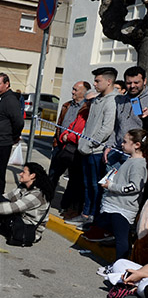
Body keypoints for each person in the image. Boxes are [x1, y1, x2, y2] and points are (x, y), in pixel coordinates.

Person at [88, 129, 147, 261]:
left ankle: (120, 266)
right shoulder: (131, 160)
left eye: (125, 142)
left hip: (123, 208)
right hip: (117, 204)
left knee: (122, 240)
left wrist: (112, 186)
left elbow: (134, 187)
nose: (121, 144)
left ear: (136, 145)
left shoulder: (138, 164)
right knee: (120, 236)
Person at [70, 67, 118, 226]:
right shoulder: (97, 100)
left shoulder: (112, 101)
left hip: (96, 152)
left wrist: (91, 143)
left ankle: (93, 216)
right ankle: (85, 213)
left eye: (98, 81)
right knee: (87, 184)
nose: (95, 84)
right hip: (86, 150)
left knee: (95, 186)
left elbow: (107, 128)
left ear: (109, 81)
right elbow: (89, 125)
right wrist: (83, 141)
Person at [0, 163, 52, 246]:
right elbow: (6, 197)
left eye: (24, 172)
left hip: (27, 230)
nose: (20, 174)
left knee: (0, 205)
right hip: (18, 223)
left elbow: (15, 207)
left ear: (32, 176)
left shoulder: (37, 195)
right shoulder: (24, 188)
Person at [49, 81, 90, 218]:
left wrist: (70, 137)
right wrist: (57, 140)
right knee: (53, 174)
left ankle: (65, 205)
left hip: (73, 148)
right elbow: (60, 123)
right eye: (72, 89)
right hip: (60, 145)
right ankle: (46, 199)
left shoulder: (86, 108)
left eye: (75, 90)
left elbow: (80, 127)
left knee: (73, 179)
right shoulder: (67, 105)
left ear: (84, 92)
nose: (72, 92)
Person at [108, 66, 148, 169]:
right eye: (129, 83)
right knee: (108, 183)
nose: (132, 86)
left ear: (144, 81)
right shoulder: (120, 100)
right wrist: (109, 146)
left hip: (136, 153)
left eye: (136, 82)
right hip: (116, 149)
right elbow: (116, 126)